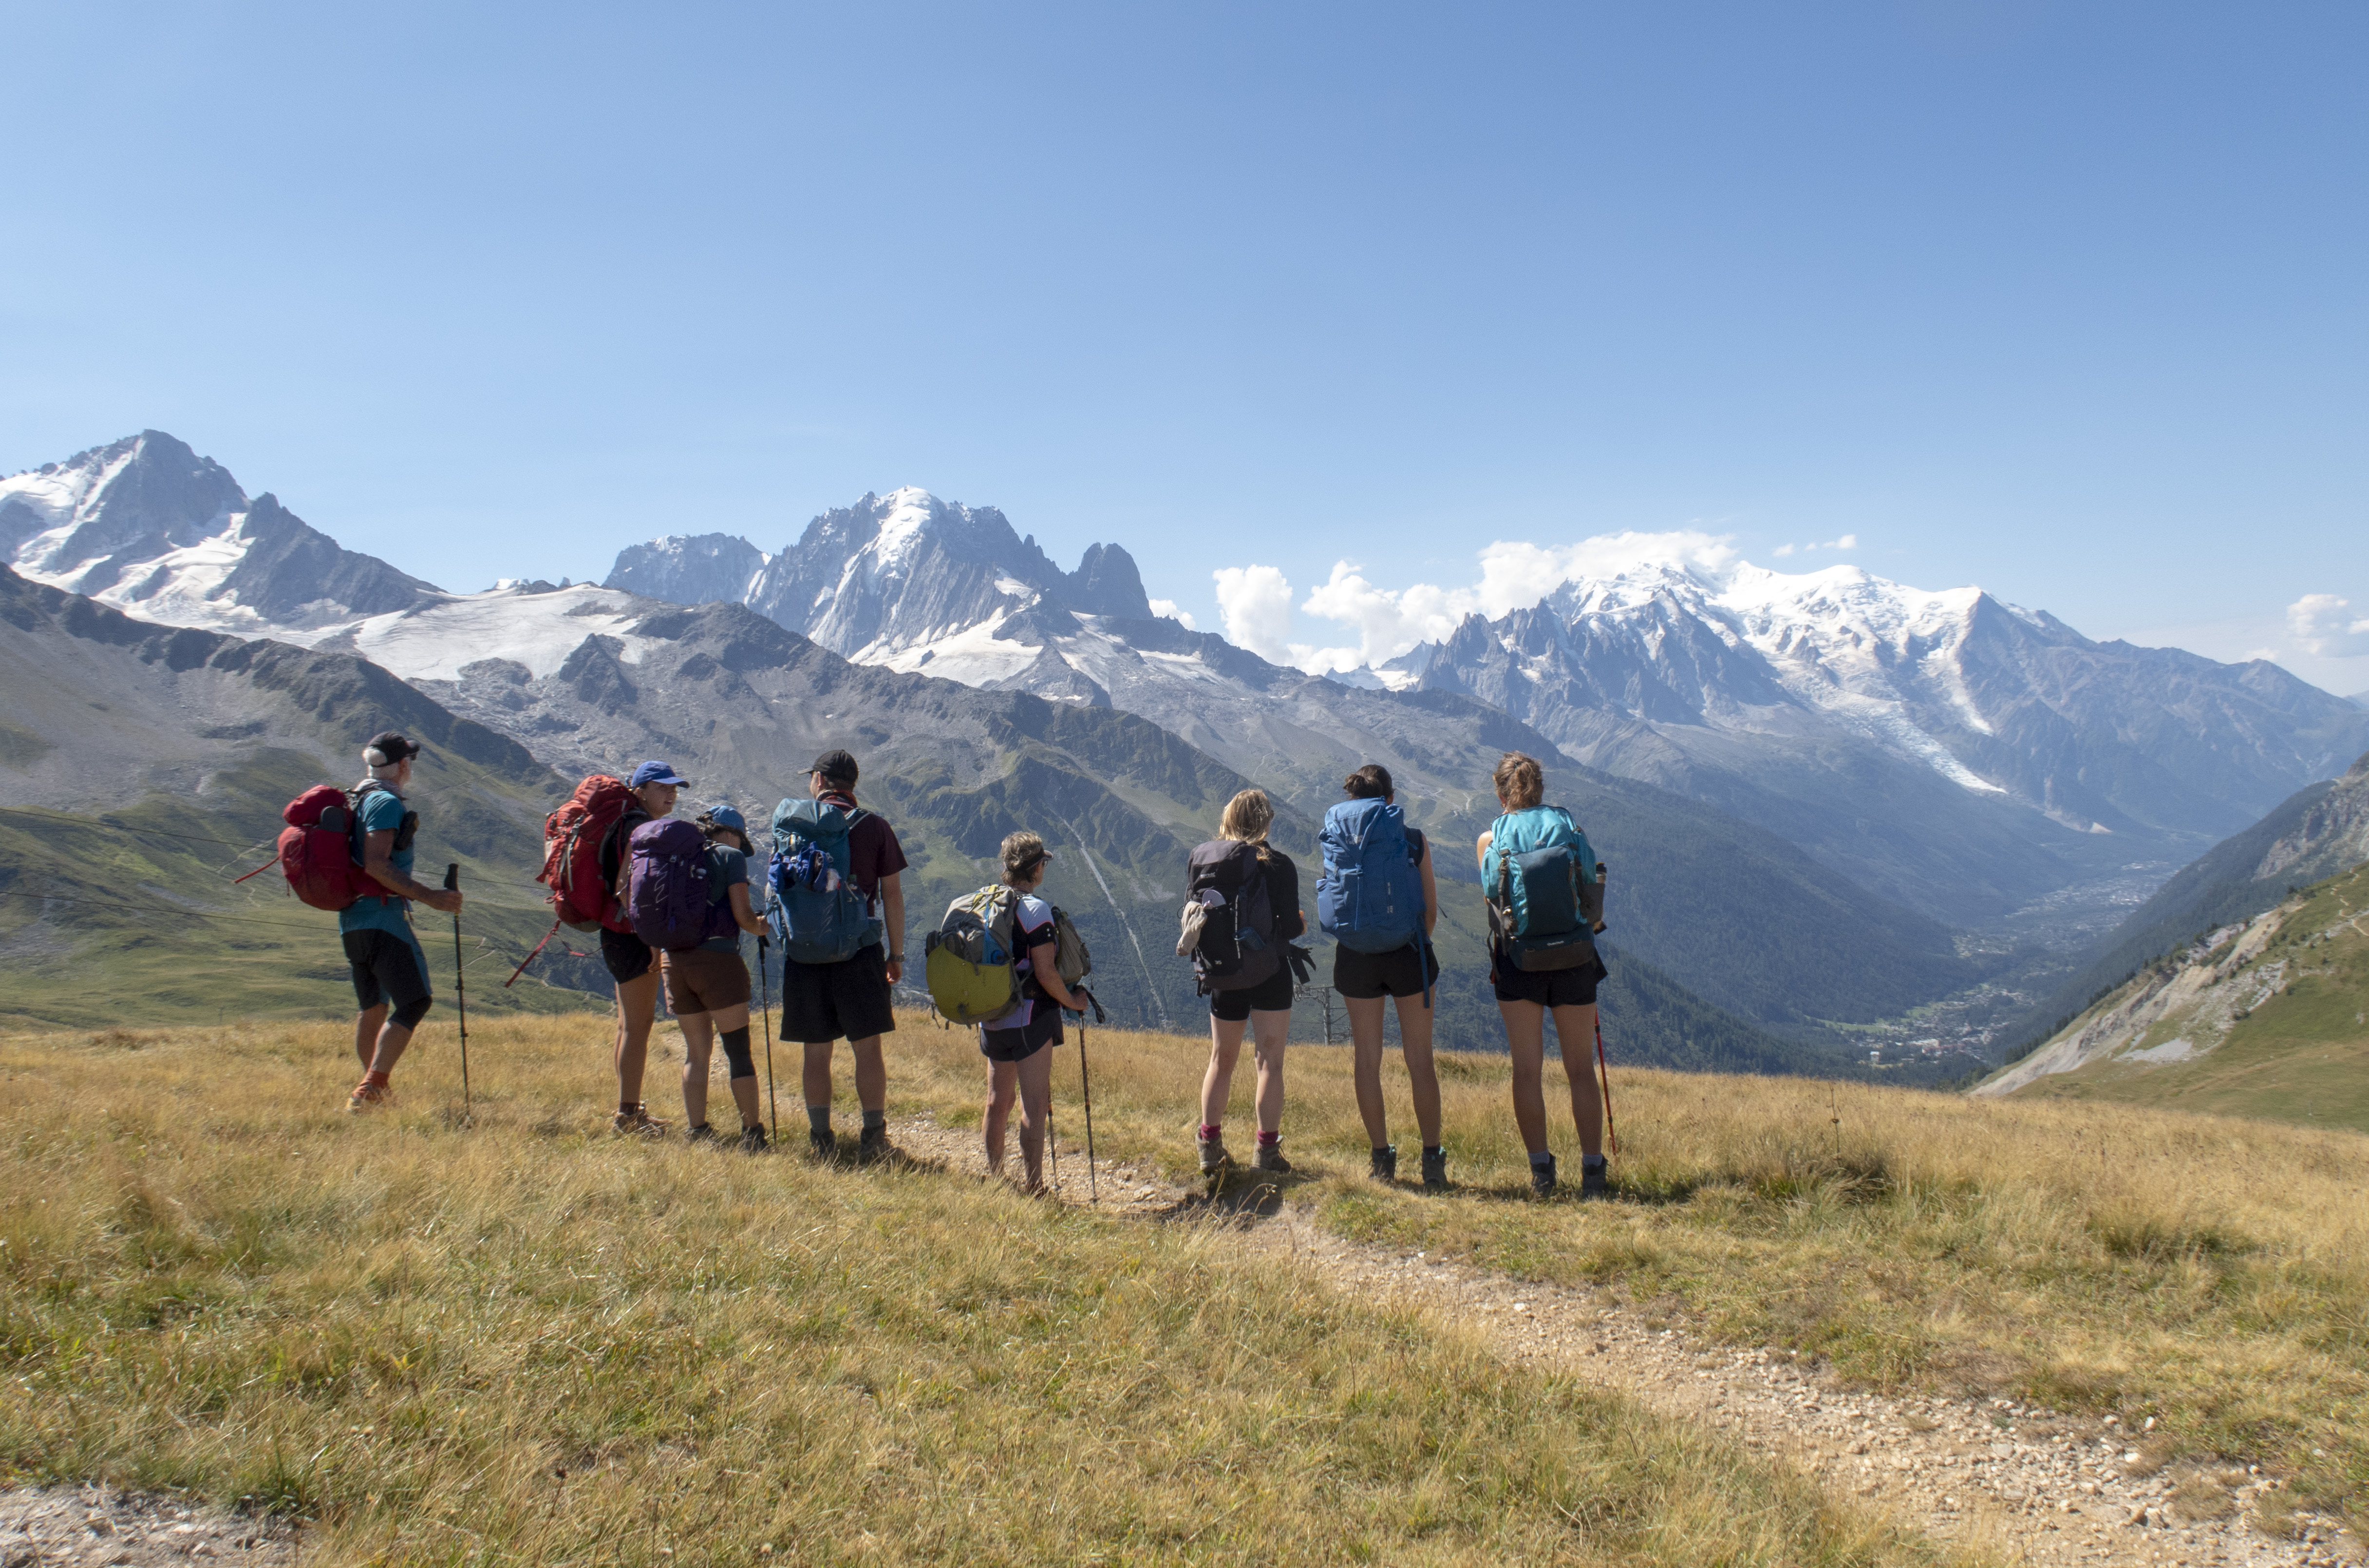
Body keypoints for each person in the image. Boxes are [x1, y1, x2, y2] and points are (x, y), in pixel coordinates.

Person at [1475, 751, 1610, 1196]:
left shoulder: (1491, 838)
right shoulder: (1569, 827)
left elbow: (1492, 900)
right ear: (1541, 788)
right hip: (1574, 957)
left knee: (1527, 1070)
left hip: (1520, 962)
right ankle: (1593, 1172)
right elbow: (1591, 887)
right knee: (1580, 1070)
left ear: (1501, 795)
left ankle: (1541, 1174)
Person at [780, 749, 908, 1163]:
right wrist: (896, 953)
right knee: (867, 1050)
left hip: (804, 953)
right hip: (859, 951)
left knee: (816, 1053)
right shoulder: (875, 827)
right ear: (852, 785)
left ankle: (822, 1142)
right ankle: (873, 1137)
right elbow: (892, 895)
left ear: (819, 780)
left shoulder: (793, 827)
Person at [1326, 764, 1447, 1189]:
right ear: (1390, 800)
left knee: (1367, 1060)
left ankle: (1381, 1158)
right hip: (1407, 955)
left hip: (1356, 956)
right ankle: (1432, 1160)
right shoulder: (1412, 840)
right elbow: (1429, 912)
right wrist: (1410, 941)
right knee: (1419, 1060)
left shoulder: (1338, 838)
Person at [340, 731, 464, 1112]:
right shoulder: (383, 802)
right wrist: (431, 897)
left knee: (374, 1006)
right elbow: (377, 862)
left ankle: (371, 1089)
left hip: (353, 919)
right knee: (416, 1001)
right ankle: (371, 1088)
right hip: (383, 916)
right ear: (403, 766)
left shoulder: (357, 799)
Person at [1196, 788, 1304, 1176]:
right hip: (1271, 974)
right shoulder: (1280, 866)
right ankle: (1267, 1152)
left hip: (1224, 973)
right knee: (1269, 1064)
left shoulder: (1209, 864)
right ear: (1266, 821)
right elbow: (1291, 928)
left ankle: (1209, 1145)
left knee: (1220, 1061)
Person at [977, 831, 1086, 1193]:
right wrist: (1073, 1003)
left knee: (997, 1099)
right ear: (1036, 868)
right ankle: (1035, 1185)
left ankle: (995, 1177)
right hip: (1029, 1018)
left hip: (991, 1015)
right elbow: (1046, 972)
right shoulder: (1036, 911)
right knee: (1033, 1102)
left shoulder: (988, 903)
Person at [668, 804, 775, 1151]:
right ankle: (752, 1135)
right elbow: (743, 916)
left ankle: (697, 1131)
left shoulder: (678, 855)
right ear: (732, 834)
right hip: (717, 962)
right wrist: (763, 927)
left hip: (675, 962)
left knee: (695, 1053)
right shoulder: (731, 857)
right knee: (738, 1052)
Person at [601, 759, 686, 1137]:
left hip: (614, 932)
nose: (671, 793)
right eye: (662, 787)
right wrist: (653, 942)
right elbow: (634, 892)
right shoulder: (643, 831)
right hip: (633, 936)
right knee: (638, 1027)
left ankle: (629, 1108)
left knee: (627, 1026)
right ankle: (627, 1116)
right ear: (639, 790)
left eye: (674, 788)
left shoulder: (622, 826)